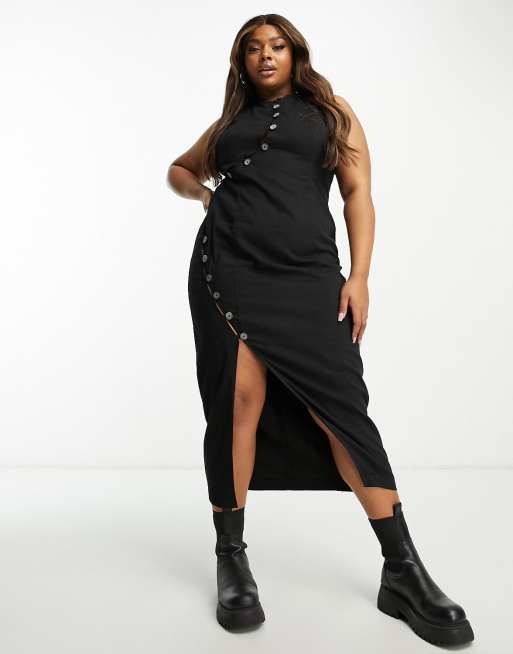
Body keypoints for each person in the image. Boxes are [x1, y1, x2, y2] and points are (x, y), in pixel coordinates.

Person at [167, 13, 474, 646]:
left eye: (277, 46)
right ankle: (232, 558)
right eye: (254, 49)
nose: (266, 56)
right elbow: (180, 169)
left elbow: (358, 194)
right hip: (228, 270)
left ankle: (402, 569)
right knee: (237, 402)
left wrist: (359, 276)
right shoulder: (228, 125)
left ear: (295, 53)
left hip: (308, 277)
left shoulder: (331, 112)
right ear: (241, 62)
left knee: (342, 411)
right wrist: (205, 195)